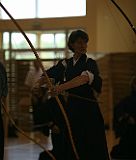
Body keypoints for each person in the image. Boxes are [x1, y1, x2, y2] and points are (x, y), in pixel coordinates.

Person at [37, 29, 110, 160]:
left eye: (85, 43)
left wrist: (60, 88)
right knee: (73, 145)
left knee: (91, 146)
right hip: (72, 111)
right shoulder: (65, 64)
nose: (83, 46)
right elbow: (48, 75)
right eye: (79, 42)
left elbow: (82, 79)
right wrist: (38, 84)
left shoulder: (90, 63)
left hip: (89, 112)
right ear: (72, 44)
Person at [110, 76, 136, 159]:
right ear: (134, 85)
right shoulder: (127, 101)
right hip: (131, 134)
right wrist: (127, 117)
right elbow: (119, 112)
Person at [25, 60, 50, 136]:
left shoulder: (44, 72)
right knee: (35, 112)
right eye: (35, 63)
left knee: (45, 112)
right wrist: (32, 96)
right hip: (34, 94)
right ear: (33, 64)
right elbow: (28, 86)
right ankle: (36, 129)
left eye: (38, 63)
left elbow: (48, 85)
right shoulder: (30, 73)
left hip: (44, 93)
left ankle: (45, 129)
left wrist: (45, 96)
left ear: (40, 64)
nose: (36, 64)